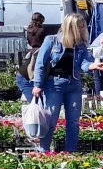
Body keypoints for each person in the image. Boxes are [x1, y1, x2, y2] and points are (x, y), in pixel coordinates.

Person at [29, 12, 89, 152]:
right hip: (54, 85)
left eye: (82, 26)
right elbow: (40, 63)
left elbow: (84, 63)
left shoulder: (80, 45)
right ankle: (44, 151)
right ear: (69, 27)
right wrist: (37, 85)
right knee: (50, 120)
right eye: (78, 26)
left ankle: (70, 152)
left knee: (73, 122)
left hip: (74, 84)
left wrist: (93, 66)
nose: (81, 29)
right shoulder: (52, 40)